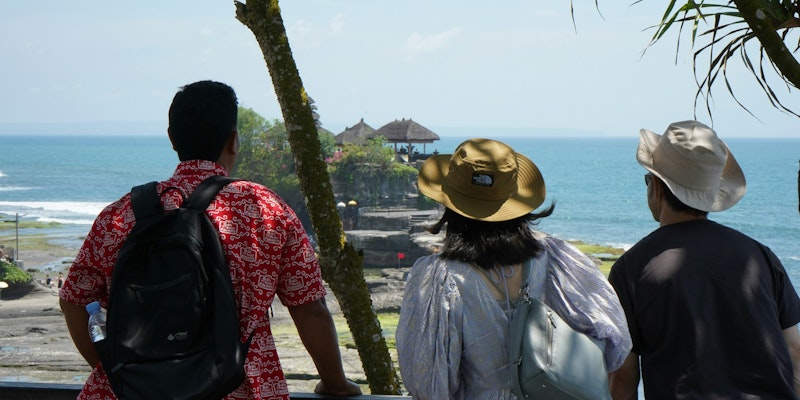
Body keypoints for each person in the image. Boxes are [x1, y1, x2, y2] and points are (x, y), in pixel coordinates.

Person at [59, 80, 361, 400]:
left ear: (172, 139)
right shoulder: (265, 210)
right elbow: (310, 309)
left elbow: (73, 300)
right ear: (234, 141)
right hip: (238, 387)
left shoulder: (122, 213)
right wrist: (335, 383)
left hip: (129, 390)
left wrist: (113, 369)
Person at [396, 138, 632, 399]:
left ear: (451, 206)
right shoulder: (558, 260)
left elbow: (428, 383)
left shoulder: (439, 279)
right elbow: (614, 342)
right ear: (516, 201)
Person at [608, 120, 800, 399]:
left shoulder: (631, 269)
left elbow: (623, 377)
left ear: (658, 187)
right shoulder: (760, 256)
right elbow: (794, 353)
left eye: (647, 179)